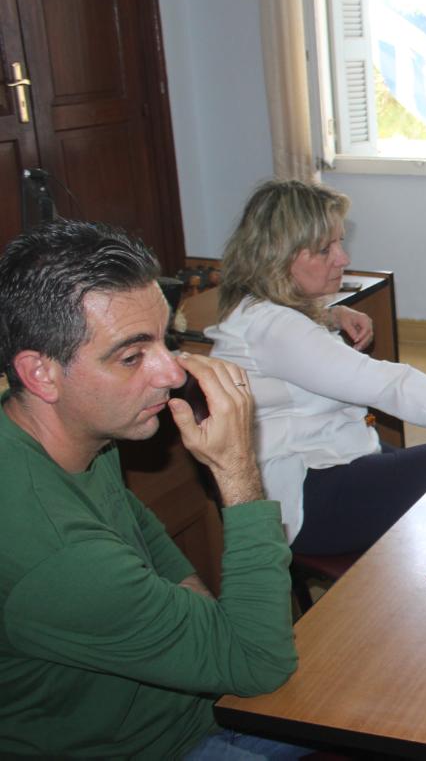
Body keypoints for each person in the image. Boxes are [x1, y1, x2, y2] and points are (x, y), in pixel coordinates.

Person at [0, 220, 300, 758]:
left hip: (203, 702)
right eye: (132, 357)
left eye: (166, 340)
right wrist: (236, 470)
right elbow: (260, 665)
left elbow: (139, 528)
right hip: (160, 747)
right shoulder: (59, 557)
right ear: (40, 374)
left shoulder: (76, 432)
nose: (171, 373)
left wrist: (208, 634)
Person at [207, 180, 426, 555]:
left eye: (340, 242)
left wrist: (331, 315)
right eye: (325, 249)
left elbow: (292, 345)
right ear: (279, 256)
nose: (342, 258)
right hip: (309, 498)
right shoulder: (275, 328)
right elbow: (386, 383)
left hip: (333, 458)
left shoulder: (259, 311)